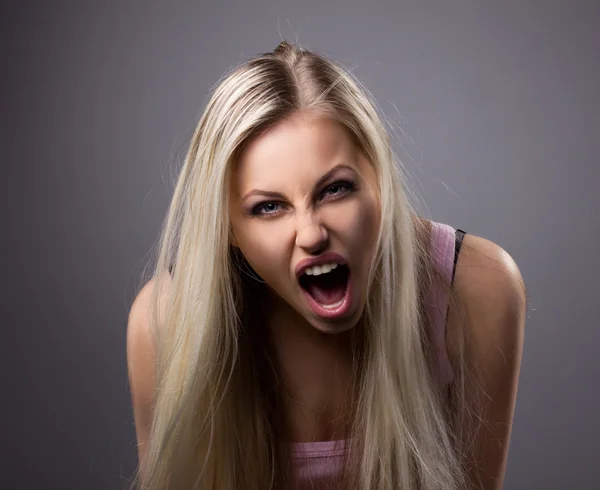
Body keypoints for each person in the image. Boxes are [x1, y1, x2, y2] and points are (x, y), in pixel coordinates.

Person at [126, 41, 526, 490]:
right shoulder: (165, 323)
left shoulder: (473, 289)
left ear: (380, 176)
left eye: (335, 189)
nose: (312, 234)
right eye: (268, 207)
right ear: (227, 228)